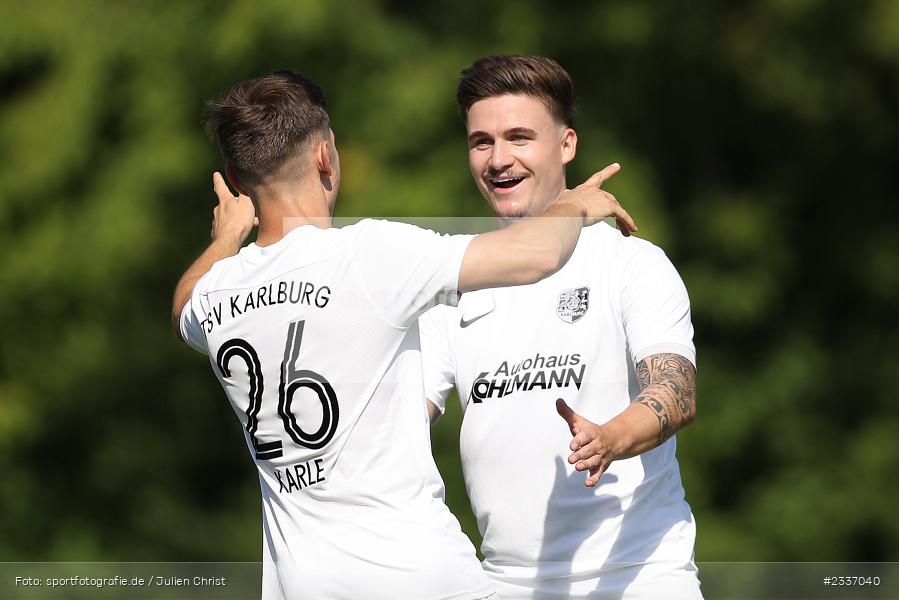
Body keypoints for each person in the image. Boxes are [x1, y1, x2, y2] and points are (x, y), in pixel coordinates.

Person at [171, 69, 636, 600]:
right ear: (325, 155)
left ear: (235, 179)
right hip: (422, 576)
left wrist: (227, 237)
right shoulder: (367, 256)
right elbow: (536, 255)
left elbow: (183, 301)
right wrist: (575, 203)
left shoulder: (217, 295)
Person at [420, 55, 701, 599]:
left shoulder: (630, 263)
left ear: (567, 145)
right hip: (502, 585)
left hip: (638, 580)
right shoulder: (454, 284)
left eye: (519, 137)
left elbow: (677, 392)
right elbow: (405, 423)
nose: (499, 159)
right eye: (482, 142)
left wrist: (610, 439)